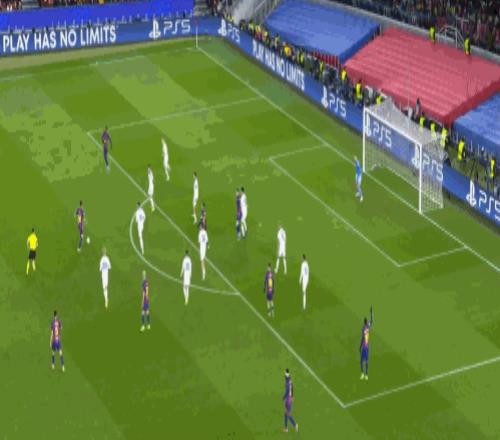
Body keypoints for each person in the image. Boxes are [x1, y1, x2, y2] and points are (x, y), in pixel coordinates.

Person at [360, 309, 373, 380]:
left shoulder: (364, 328)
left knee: (362, 361)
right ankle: (366, 374)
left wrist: (360, 346)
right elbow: (372, 321)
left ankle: (363, 374)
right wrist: (371, 313)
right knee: (366, 361)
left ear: (363, 322)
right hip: (367, 347)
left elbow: (362, 338)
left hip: (364, 347)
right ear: (366, 322)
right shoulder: (368, 327)